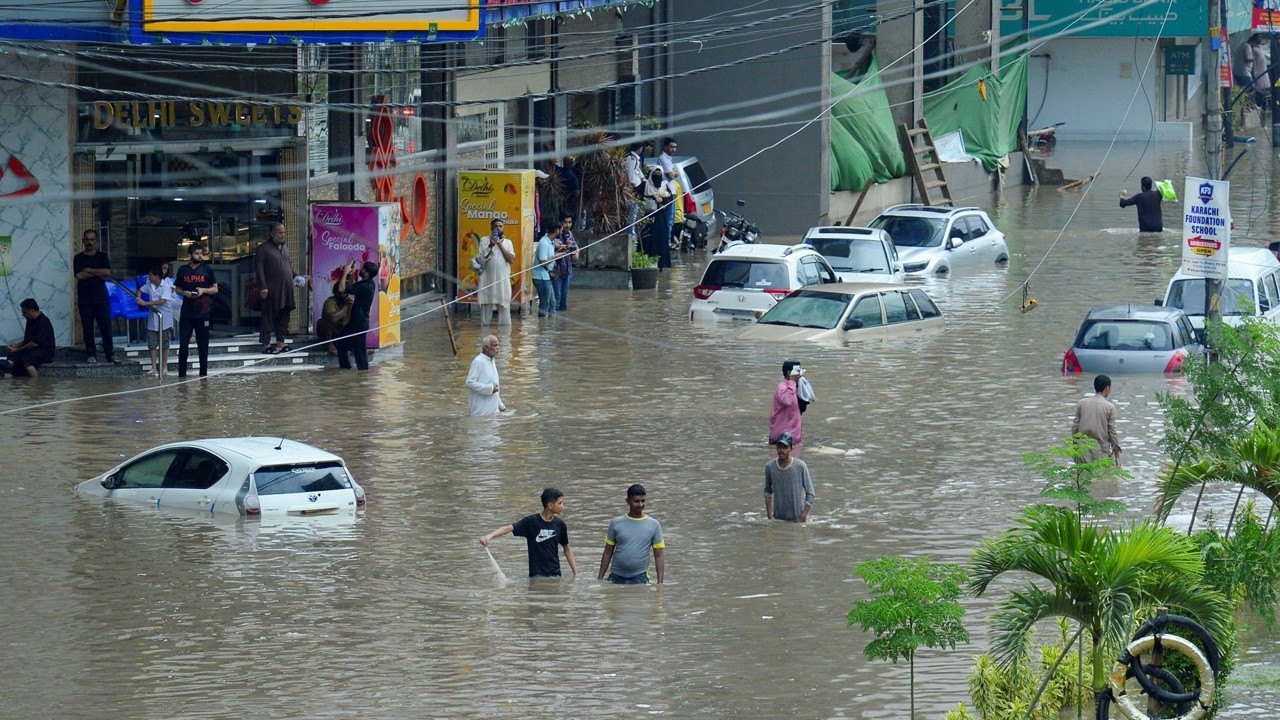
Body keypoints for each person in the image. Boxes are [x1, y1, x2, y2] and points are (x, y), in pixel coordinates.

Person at [478, 487, 579, 579]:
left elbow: (567, 550)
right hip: (536, 576)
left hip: (556, 576)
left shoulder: (560, 524)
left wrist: (576, 574)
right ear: (550, 505)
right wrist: (489, 536)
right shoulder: (531, 522)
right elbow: (508, 528)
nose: (563, 506)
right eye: (560, 503)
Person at [597, 484, 665, 585]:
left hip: (640, 577)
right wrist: (600, 579)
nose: (640, 505)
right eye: (636, 501)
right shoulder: (615, 523)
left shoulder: (654, 525)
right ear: (628, 501)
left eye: (643, 501)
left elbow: (659, 555)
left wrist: (660, 584)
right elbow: (607, 552)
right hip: (615, 576)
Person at [173, 244, 219, 378]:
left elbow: (215, 289)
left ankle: (203, 375)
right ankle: (182, 375)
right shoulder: (183, 270)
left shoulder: (207, 269)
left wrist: (203, 290)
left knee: (203, 346)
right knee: (183, 345)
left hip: (203, 312)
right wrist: (185, 293)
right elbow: (177, 289)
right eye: (197, 253)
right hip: (187, 312)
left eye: (201, 253)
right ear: (190, 255)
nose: (200, 256)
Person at [72, 229, 115, 364]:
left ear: (96, 241)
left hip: (101, 298)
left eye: (92, 240)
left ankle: (110, 354)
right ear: (83, 241)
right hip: (85, 299)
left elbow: (107, 272)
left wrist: (89, 270)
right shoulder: (78, 258)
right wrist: (98, 272)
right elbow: (79, 275)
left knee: (106, 327)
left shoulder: (102, 257)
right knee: (87, 328)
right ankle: (91, 354)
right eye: (87, 239)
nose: (90, 242)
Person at [254, 222, 297, 355]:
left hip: (287, 288)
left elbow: (288, 266)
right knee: (268, 316)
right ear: (272, 233)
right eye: (280, 232)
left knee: (285, 316)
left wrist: (297, 277)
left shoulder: (285, 248)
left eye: (284, 232)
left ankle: (280, 342)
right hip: (271, 288)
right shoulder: (263, 249)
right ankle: (266, 345)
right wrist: (263, 287)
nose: (282, 235)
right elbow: (259, 270)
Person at [335, 261, 378, 371]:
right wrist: (350, 274)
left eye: (363, 269)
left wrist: (345, 273)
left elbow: (341, 290)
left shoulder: (365, 286)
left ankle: (362, 376)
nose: (361, 270)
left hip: (359, 323)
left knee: (359, 351)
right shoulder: (368, 283)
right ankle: (346, 369)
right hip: (357, 322)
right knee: (341, 343)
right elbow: (351, 287)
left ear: (367, 273)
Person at [1072, 374, 1122, 466]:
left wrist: (1075, 447)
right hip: (1100, 450)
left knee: (1083, 477)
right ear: (1107, 388)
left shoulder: (1081, 403)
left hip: (1082, 448)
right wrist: (1117, 456)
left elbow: (1075, 427)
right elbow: (1112, 432)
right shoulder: (1110, 407)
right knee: (1101, 477)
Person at [764, 433, 814, 522]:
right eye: (779, 447)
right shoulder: (770, 467)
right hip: (778, 519)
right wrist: (769, 514)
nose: (781, 450)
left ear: (791, 448)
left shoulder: (800, 466)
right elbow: (767, 491)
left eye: (785, 447)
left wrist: (804, 516)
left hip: (797, 518)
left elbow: (810, 493)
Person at [1, 298, 55, 378]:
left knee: (26, 359)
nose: (23, 315)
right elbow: (28, 340)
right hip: (33, 349)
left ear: (32, 311)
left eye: (25, 312)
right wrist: (16, 345)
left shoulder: (43, 322)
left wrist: (17, 349)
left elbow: (34, 343)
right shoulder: (30, 320)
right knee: (13, 355)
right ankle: (6, 372)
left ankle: (36, 382)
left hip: (45, 351)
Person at [136, 266, 174, 378]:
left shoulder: (166, 286)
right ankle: (153, 367)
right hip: (153, 320)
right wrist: (139, 298)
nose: (149, 277)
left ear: (156, 276)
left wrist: (145, 303)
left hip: (165, 319)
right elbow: (140, 291)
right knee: (152, 344)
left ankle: (164, 367)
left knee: (165, 343)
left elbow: (162, 301)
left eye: (150, 275)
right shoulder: (149, 284)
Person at [476, 218, 516, 325]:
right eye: (495, 226)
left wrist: (500, 244)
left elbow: (511, 260)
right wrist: (491, 245)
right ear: (491, 228)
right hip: (487, 281)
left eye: (500, 226)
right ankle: (485, 337)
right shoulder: (484, 240)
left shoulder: (508, 242)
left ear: (503, 228)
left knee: (505, 318)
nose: (498, 228)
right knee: (485, 319)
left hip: (502, 282)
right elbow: (480, 259)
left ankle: (504, 339)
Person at [465, 334, 506, 416]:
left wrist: (501, 407)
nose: (498, 348)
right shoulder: (478, 361)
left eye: (498, 345)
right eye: (495, 345)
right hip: (480, 414)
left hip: (493, 412)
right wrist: (489, 389)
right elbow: (469, 383)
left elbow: (495, 387)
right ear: (487, 348)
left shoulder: (492, 361)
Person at [654, 137, 679, 270]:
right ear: (665, 147)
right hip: (667, 194)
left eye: (675, 147)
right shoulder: (663, 158)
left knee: (671, 220)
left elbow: (675, 174)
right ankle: (666, 244)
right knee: (668, 221)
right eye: (671, 147)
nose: (673, 149)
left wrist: (675, 173)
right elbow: (671, 175)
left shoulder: (669, 159)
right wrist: (674, 173)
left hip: (672, 193)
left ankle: (668, 243)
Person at [769, 360, 804, 452]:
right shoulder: (783, 387)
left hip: (793, 434)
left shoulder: (794, 387)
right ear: (789, 373)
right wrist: (792, 382)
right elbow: (787, 401)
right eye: (797, 371)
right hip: (783, 436)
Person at [552, 214, 580, 312]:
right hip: (557, 271)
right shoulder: (556, 234)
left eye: (569, 222)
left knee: (564, 298)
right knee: (556, 297)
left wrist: (576, 253)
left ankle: (562, 325)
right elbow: (555, 247)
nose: (567, 225)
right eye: (565, 222)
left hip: (567, 270)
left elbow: (576, 249)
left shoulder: (570, 234)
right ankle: (553, 322)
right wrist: (566, 246)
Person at [532, 223, 560, 317]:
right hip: (541, 277)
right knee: (544, 305)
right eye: (561, 230)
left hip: (546, 277)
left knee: (553, 303)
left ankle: (550, 328)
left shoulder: (550, 242)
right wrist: (556, 256)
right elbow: (543, 262)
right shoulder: (544, 243)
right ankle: (543, 329)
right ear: (557, 231)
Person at [1236, 34, 1270, 107]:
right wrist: (1254, 58)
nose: (1255, 46)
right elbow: (1247, 58)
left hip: (1240, 71)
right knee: (1252, 89)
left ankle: (1246, 106)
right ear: (1253, 42)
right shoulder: (1247, 46)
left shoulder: (1243, 45)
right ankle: (1251, 105)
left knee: (1246, 90)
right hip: (1244, 72)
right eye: (1256, 44)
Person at [316, 280, 350, 355]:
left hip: (344, 331)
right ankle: (330, 344)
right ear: (337, 293)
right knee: (328, 320)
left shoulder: (351, 301)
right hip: (331, 332)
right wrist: (346, 306)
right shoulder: (330, 302)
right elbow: (333, 319)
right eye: (345, 292)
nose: (347, 295)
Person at [623, 142, 646, 246]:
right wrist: (634, 186)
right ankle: (630, 234)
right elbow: (631, 174)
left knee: (635, 212)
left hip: (637, 187)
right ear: (640, 148)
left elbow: (638, 172)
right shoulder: (631, 158)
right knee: (632, 214)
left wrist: (644, 180)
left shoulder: (635, 158)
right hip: (633, 189)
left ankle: (632, 234)